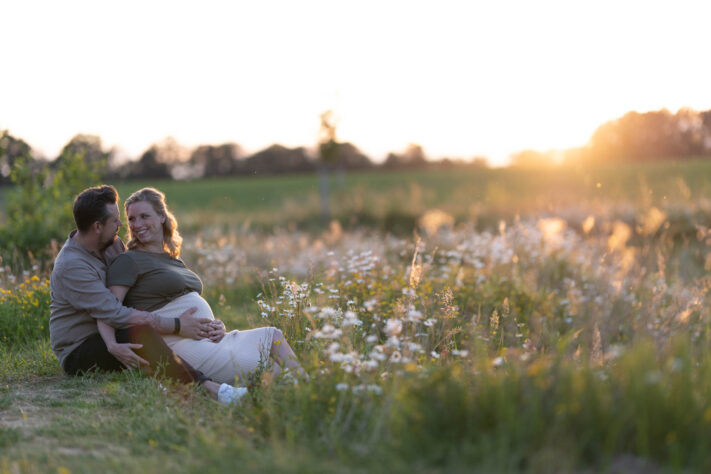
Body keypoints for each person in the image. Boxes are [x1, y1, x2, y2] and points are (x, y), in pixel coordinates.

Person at [49, 185, 246, 405]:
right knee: (140, 332)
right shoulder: (72, 266)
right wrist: (176, 324)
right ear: (97, 226)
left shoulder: (112, 245)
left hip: (109, 331)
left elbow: (126, 292)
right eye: (115, 220)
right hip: (80, 348)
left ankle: (170, 372)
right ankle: (212, 389)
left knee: (143, 330)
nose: (121, 224)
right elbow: (113, 312)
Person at [97, 187, 306, 386]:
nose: (137, 224)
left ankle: (309, 386)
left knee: (273, 336)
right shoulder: (129, 261)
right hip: (175, 343)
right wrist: (111, 345)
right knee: (268, 369)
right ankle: (304, 394)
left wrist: (215, 325)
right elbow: (108, 308)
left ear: (162, 217)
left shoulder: (171, 259)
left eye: (144, 216)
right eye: (131, 219)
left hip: (208, 339)